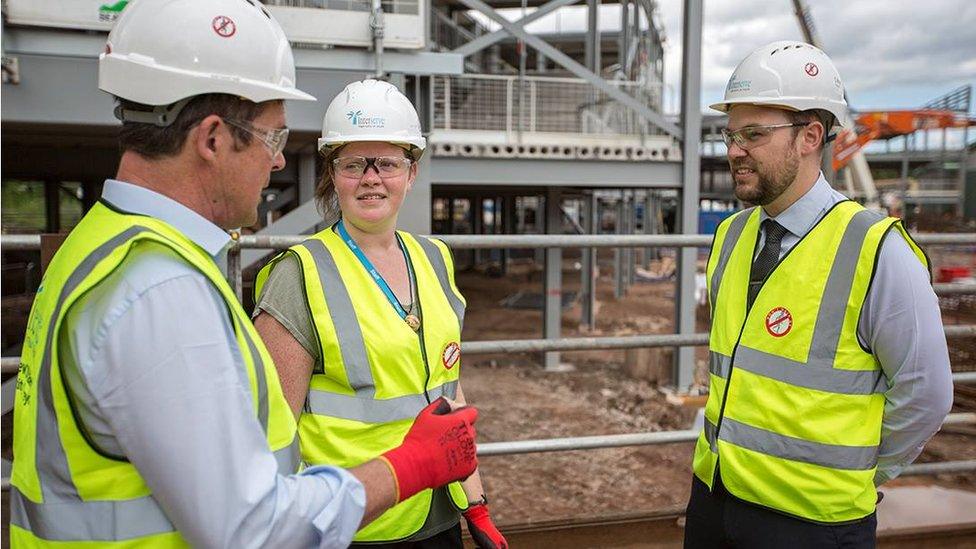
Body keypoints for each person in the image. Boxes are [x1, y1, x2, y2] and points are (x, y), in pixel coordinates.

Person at [9, 2, 479, 547]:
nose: (278, 162)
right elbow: (250, 528)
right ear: (212, 139)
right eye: (273, 138)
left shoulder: (103, 246)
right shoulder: (159, 290)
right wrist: (409, 466)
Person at [684, 41, 953, 548]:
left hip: (814, 523)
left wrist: (859, 473)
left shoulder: (878, 251)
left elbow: (928, 394)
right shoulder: (732, 236)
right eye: (731, 134)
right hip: (715, 499)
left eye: (754, 134)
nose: (734, 149)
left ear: (810, 136)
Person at [252, 79, 507, 549]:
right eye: (353, 164)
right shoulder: (299, 274)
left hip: (438, 511)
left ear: (411, 174)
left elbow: (448, 387)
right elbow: (270, 434)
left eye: (387, 163)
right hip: (356, 522)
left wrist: (476, 500)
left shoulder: (434, 258)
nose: (371, 178)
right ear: (334, 175)